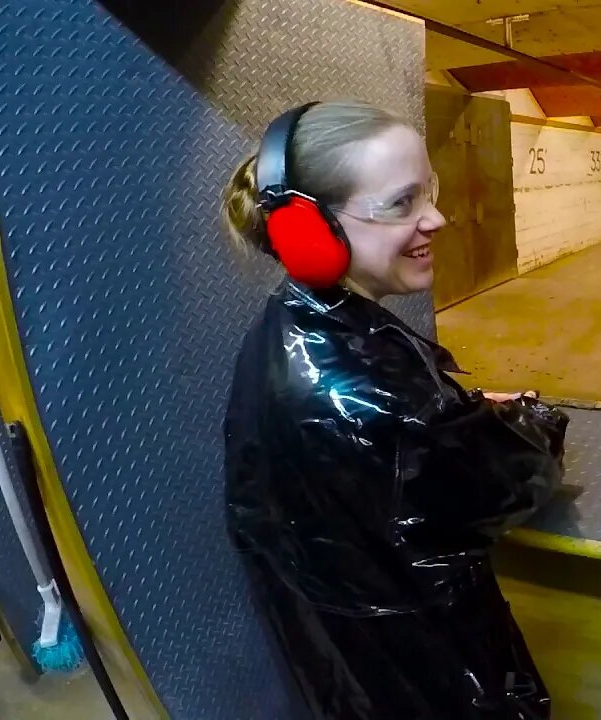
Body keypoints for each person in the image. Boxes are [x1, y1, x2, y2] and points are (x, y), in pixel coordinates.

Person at [219, 100, 564, 719]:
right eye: (401, 204)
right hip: (437, 686)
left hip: (351, 677)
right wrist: (527, 419)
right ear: (307, 228)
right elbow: (515, 479)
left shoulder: (284, 327)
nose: (438, 217)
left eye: (427, 191)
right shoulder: (386, 407)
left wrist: (455, 414)